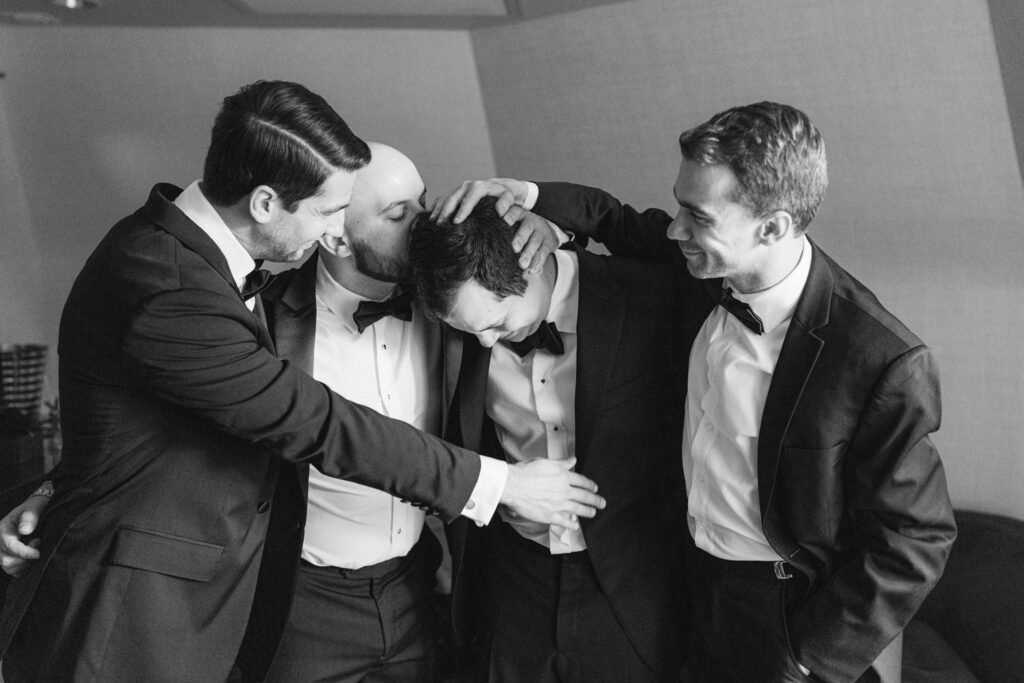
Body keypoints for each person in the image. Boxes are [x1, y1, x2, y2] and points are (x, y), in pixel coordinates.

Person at [0, 81, 604, 683]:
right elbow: (311, 419)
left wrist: (548, 221)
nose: (333, 231)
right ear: (266, 203)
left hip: (416, 592)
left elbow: (132, 423)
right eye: (328, 213)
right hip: (146, 605)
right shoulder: (175, 286)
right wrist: (497, 486)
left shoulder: (193, 257)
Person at [434, 102, 957, 683]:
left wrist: (810, 656)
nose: (675, 229)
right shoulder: (698, 272)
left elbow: (915, 537)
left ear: (773, 227)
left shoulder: (878, 358)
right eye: (679, 205)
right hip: (686, 592)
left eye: (697, 216)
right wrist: (534, 200)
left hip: (787, 614)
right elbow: (617, 219)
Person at [409, 197, 688, 682]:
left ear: (533, 263)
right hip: (513, 582)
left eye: (497, 322)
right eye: (469, 331)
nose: (486, 344)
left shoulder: (650, 294)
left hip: (633, 586)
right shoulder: (468, 333)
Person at [261, 142, 446, 682]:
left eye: (423, 203)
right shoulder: (262, 322)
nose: (425, 224)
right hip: (304, 606)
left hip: (420, 586)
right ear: (335, 235)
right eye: (398, 214)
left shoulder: (452, 305)